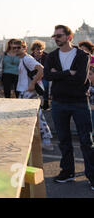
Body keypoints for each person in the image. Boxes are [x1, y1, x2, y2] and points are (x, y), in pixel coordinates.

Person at [44, 25, 93, 190]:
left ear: (69, 37)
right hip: (58, 102)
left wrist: (58, 75)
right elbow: (48, 75)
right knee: (64, 140)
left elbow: (80, 79)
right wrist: (67, 73)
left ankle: (92, 176)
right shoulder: (51, 56)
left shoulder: (82, 55)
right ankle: (67, 172)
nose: (56, 38)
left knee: (86, 140)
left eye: (59, 35)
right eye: (54, 35)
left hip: (79, 102)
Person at [13, 39, 53, 151]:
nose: (16, 50)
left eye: (18, 47)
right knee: (33, 116)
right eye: (14, 48)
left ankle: (46, 140)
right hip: (24, 91)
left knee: (37, 116)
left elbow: (41, 70)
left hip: (28, 91)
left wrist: (32, 83)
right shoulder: (22, 59)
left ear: (24, 48)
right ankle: (43, 140)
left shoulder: (27, 59)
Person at [31, 40, 50, 110]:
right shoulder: (30, 57)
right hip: (34, 76)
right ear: (34, 50)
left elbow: (48, 68)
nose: (39, 51)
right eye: (37, 49)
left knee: (45, 86)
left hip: (44, 76)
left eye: (41, 49)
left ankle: (45, 103)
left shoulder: (46, 56)